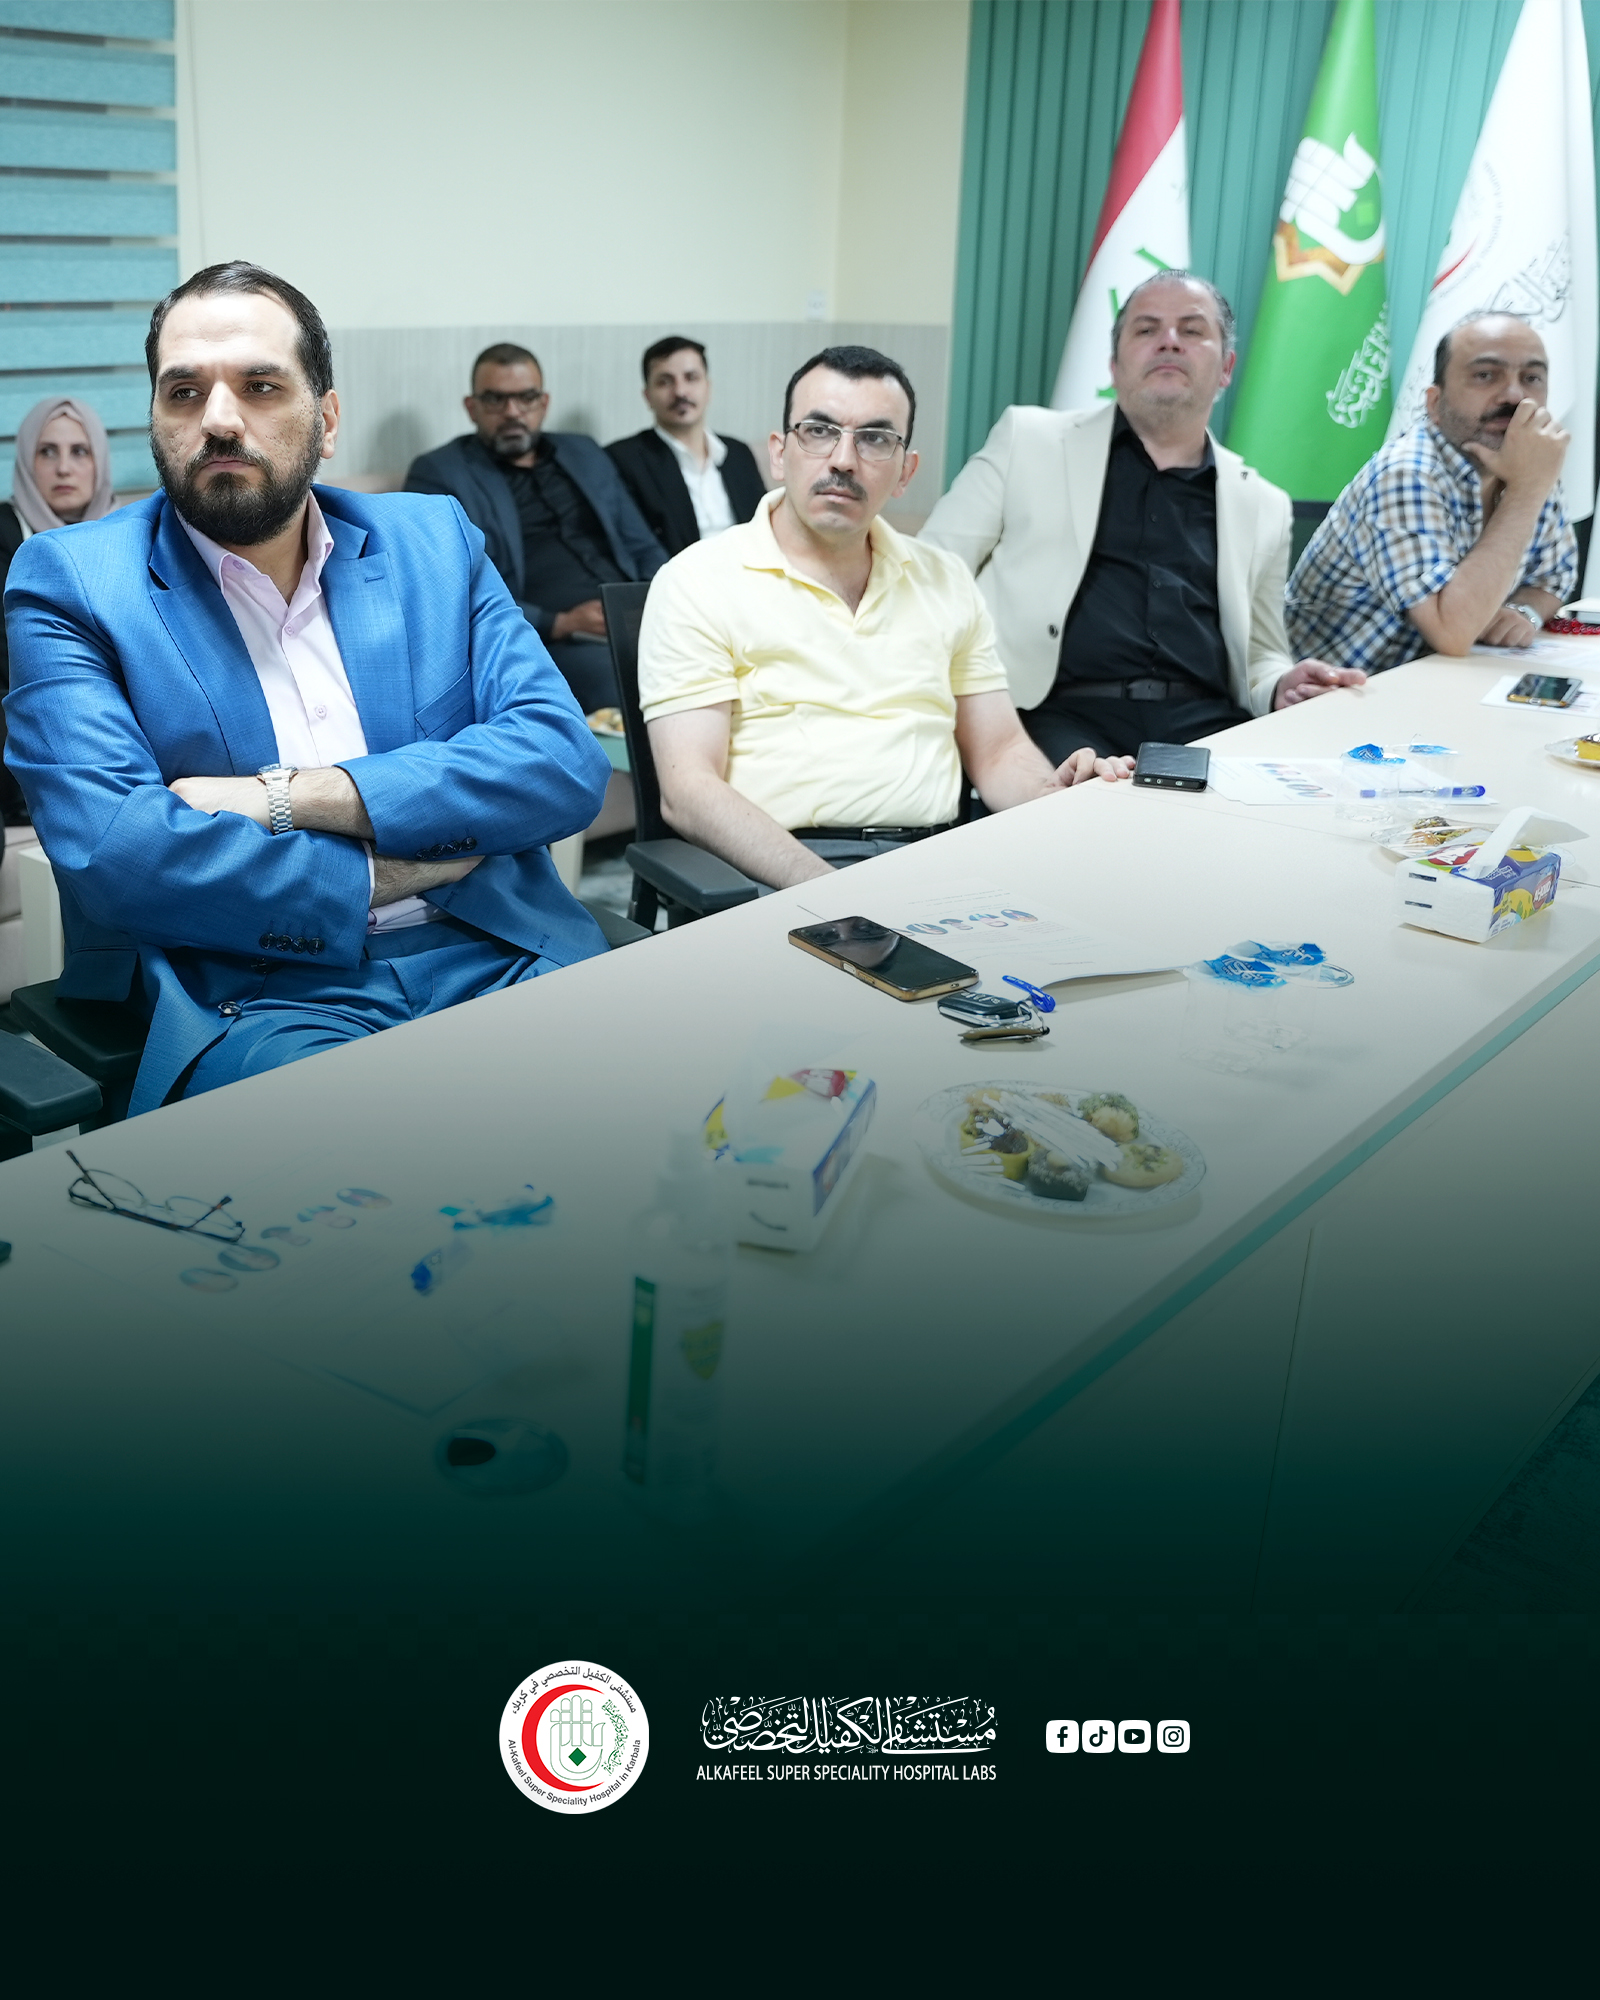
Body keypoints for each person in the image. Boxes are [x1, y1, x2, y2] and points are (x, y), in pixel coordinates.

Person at [2, 261, 611, 1116]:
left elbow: (561, 762)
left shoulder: (431, 540)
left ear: (325, 420)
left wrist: (289, 797)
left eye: (260, 386)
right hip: (263, 992)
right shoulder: (72, 582)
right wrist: (400, 867)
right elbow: (120, 854)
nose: (218, 419)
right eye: (184, 392)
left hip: (502, 947)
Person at [637, 345, 1127, 893]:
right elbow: (689, 790)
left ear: (904, 471)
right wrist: (828, 890)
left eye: (874, 438)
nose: (844, 460)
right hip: (782, 870)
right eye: (818, 431)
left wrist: (1052, 794)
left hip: (942, 861)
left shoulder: (944, 578)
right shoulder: (698, 581)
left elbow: (997, 751)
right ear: (779, 453)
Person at [920, 271, 1362, 764]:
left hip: (1206, 723)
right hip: (1051, 715)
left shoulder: (1264, 505)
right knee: (1081, 802)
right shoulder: (1028, 441)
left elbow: (1261, 652)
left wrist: (1281, 684)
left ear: (1226, 368)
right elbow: (931, 575)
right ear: (1114, 365)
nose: (1169, 341)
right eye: (1147, 329)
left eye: (1192, 330)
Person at [1286, 312, 1577, 673]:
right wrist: (1526, 491)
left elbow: (1555, 576)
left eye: (1531, 378)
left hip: (1440, 684)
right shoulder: (1406, 472)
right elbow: (1452, 632)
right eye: (1486, 375)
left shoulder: (1528, 459)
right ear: (1434, 404)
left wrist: (1524, 611)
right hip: (1337, 694)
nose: (1515, 395)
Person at [404, 344, 666, 712]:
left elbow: (641, 544)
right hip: (546, 638)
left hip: (635, 616)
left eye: (526, 398)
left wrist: (665, 596)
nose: (512, 412)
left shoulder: (584, 452)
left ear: (543, 403)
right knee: (629, 682)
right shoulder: (441, 473)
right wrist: (559, 622)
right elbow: (448, 588)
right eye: (495, 399)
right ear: (472, 407)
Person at [1, 396, 117, 824]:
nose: (64, 468)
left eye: (79, 451)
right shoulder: (5, 536)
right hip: (23, 762)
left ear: (99, 461)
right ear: (26, 462)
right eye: (47, 452)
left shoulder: (131, 536)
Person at [607, 336, 767, 556]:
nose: (680, 391)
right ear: (647, 396)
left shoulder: (738, 453)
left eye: (691, 378)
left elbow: (764, 531)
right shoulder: (625, 460)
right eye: (665, 382)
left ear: (708, 388)